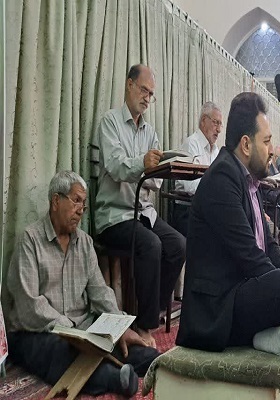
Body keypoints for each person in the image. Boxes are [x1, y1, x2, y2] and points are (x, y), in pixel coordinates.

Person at [5, 171, 159, 397]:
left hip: (82, 330)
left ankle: (153, 363)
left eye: (83, 204)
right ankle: (115, 379)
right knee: (60, 352)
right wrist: (72, 333)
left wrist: (119, 327)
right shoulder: (30, 240)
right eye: (76, 200)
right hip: (39, 332)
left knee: (129, 347)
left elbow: (100, 291)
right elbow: (29, 305)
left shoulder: (84, 242)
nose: (80, 210)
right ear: (56, 201)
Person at [176, 92, 280, 351]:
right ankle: (279, 336)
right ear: (246, 145)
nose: (272, 150)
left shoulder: (249, 181)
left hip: (240, 291)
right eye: (266, 141)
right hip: (216, 310)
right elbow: (251, 257)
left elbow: (270, 249)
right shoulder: (222, 178)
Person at [94, 64, 186, 346]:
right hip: (115, 215)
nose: (147, 98)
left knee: (179, 245)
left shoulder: (151, 133)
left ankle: (153, 311)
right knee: (151, 245)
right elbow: (115, 167)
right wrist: (142, 166)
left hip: (143, 212)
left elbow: (154, 183)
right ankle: (145, 327)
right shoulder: (110, 122)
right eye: (144, 90)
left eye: (151, 94)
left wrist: (150, 170)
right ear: (129, 85)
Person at [172, 101, 222, 237]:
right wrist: (217, 188)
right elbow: (190, 187)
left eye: (220, 124)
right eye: (216, 123)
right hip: (188, 210)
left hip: (208, 209)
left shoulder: (216, 151)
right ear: (204, 121)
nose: (219, 129)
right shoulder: (191, 144)